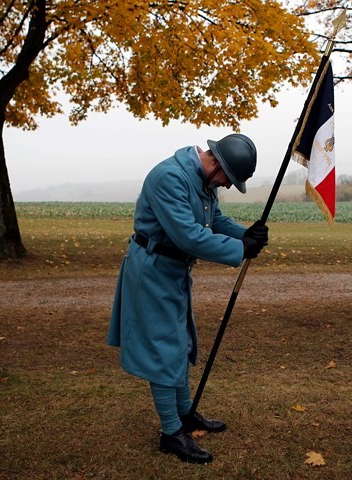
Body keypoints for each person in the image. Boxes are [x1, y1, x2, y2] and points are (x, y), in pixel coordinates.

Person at [107, 133, 269, 464]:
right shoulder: (169, 177)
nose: (225, 186)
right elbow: (189, 235)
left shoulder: (202, 181)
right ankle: (171, 433)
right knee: (163, 351)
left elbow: (214, 220)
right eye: (228, 179)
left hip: (174, 271)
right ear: (216, 164)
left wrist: (245, 233)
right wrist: (241, 250)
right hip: (151, 271)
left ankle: (185, 414)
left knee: (179, 343)